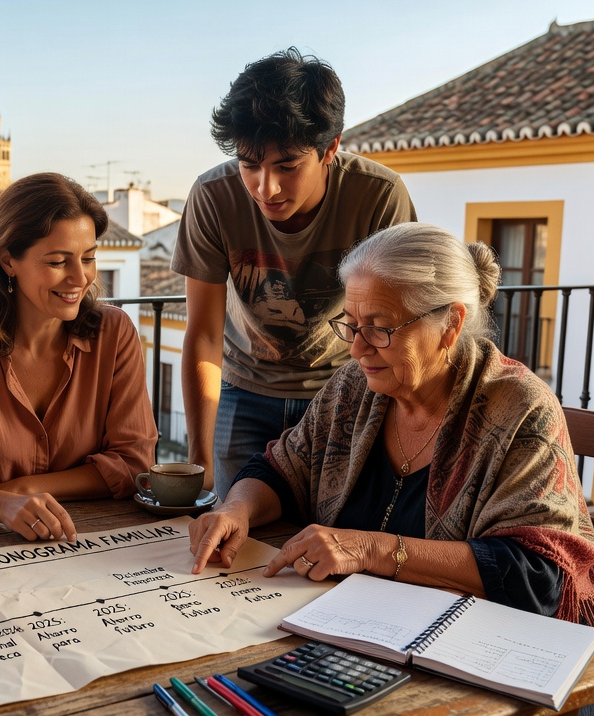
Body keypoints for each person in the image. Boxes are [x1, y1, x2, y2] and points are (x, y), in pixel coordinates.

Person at [188, 222, 594, 716]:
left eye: (380, 328)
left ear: (449, 324)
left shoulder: (517, 410)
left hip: (514, 671)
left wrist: (369, 549)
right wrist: (236, 508)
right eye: (351, 324)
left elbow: (534, 576)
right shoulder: (357, 386)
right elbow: (281, 467)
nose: (358, 347)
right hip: (374, 646)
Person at [173, 48, 417, 494]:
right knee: (235, 521)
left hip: (345, 389)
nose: (265, 188)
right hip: (243, 389)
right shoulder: (213, 196)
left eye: (287, 166)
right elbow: (203, 333)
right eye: (249, 165)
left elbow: (397, 324)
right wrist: (199, 456)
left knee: (332, 523)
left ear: (330, 148)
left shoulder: (378, 196)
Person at [0, 173, 156, 541]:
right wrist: (2, 507)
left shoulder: (114, 332)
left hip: (92, 538)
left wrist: (23, 490)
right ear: (9, 261)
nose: (80, 278)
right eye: (57, 262)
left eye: (88, 258)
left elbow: (135, 462)